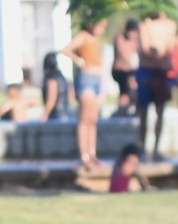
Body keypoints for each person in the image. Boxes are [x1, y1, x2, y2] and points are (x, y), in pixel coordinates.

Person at [61, 18, 108, 170]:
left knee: (93, 119)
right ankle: (84, 156)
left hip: (96, 79)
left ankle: (92, 154)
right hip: (86, 78)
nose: (101, 30)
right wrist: (78, 60)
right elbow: (65, 50)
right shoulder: (83, 36)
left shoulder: (95, 40)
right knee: (85, 119)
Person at [136, 12, 177, 159]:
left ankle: (156, 148)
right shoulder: (144, 24)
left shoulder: (170, 25)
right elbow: (145, 49)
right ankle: (142, 147)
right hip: (147, 71)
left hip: (160, 72)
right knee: (143, 112)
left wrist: (159, 60)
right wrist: (159, 60)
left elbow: (169, 50)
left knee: (160, 111)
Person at [113, 20, 140, 117]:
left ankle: (128, 109)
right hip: (120, 71)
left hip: (131, 71)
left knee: (128, 91)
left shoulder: (136, 40)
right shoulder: (120, 38)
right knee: (126, 90)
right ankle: (123, 109)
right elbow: (122, 53)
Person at [40, 53, 71, 121]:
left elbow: (51, 99)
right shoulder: (61, 77)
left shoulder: (52, 78)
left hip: (56, 116)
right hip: (65, 114)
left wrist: (44, 116)